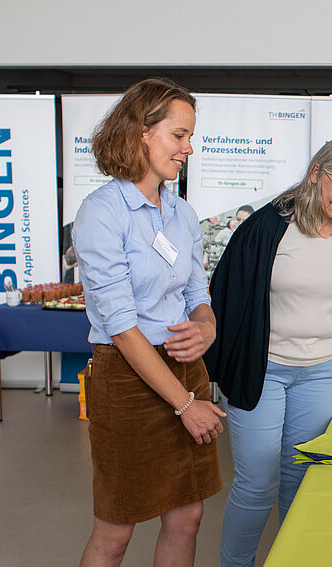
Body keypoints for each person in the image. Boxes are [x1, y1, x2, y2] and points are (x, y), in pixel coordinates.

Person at [73, 78, 225, 567]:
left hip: (186, 369)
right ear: (142, 131)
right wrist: (185, 406)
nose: (188, 148)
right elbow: (120, 325)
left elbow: (197, 293)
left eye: (189, 137)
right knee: (116, 529)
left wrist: (207, 327)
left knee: (187, 518)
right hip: (128, 379)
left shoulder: (181, 212)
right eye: (179, 136)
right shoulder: (102, 213)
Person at [205, 137, 332, 567]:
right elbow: (226, 295)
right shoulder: (267, 226)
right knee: (256, 483)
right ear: (316, 173)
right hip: (263, 370)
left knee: (301, 479)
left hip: (320, 370)